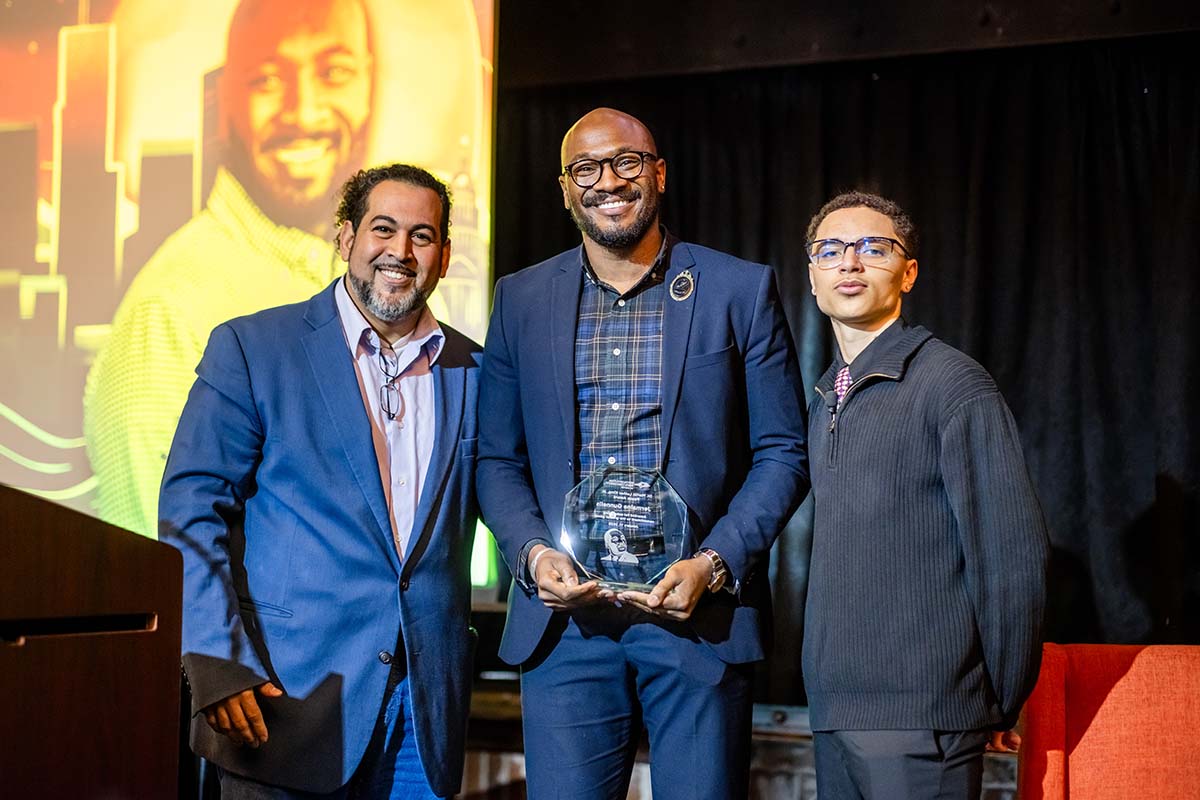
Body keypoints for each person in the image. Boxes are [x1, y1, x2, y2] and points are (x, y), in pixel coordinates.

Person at [477, 107, 809, 799]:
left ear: (657, 173)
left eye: (627, 162)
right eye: (587, 169)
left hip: (694, 617)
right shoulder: (520, 299)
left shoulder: (738, 291)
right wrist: (535, 555)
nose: (609, 181)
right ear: (565, 188)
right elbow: (496, 460)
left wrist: (714, 564)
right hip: (567, 624)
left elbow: (783, 452)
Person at [159, 163, 479, 798]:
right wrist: (217, 661)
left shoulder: (477, 369)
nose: (401, 251)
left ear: (443, 256)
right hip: (282, 700)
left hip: (423, 717)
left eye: (423, 235)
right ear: (345, 237)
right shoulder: (253, 347)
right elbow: (190, 512)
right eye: (383, 229)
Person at [84, 0, 374, 537]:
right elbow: (166, 566)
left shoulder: (370, 291)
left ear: (371, 89)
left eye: (334, 72)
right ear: (224, 104)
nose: (304, 112)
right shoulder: (168, 315)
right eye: (267, 80)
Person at [800, 190, 1049, 798]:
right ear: (812, 277)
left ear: (908, 271)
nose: (850, 263)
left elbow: (1011, 557)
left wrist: (998, 697)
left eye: (872, 248)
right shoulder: (826, 393)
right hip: (835, 709)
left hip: (924, 717)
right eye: (830, 250)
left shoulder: (952, 383)